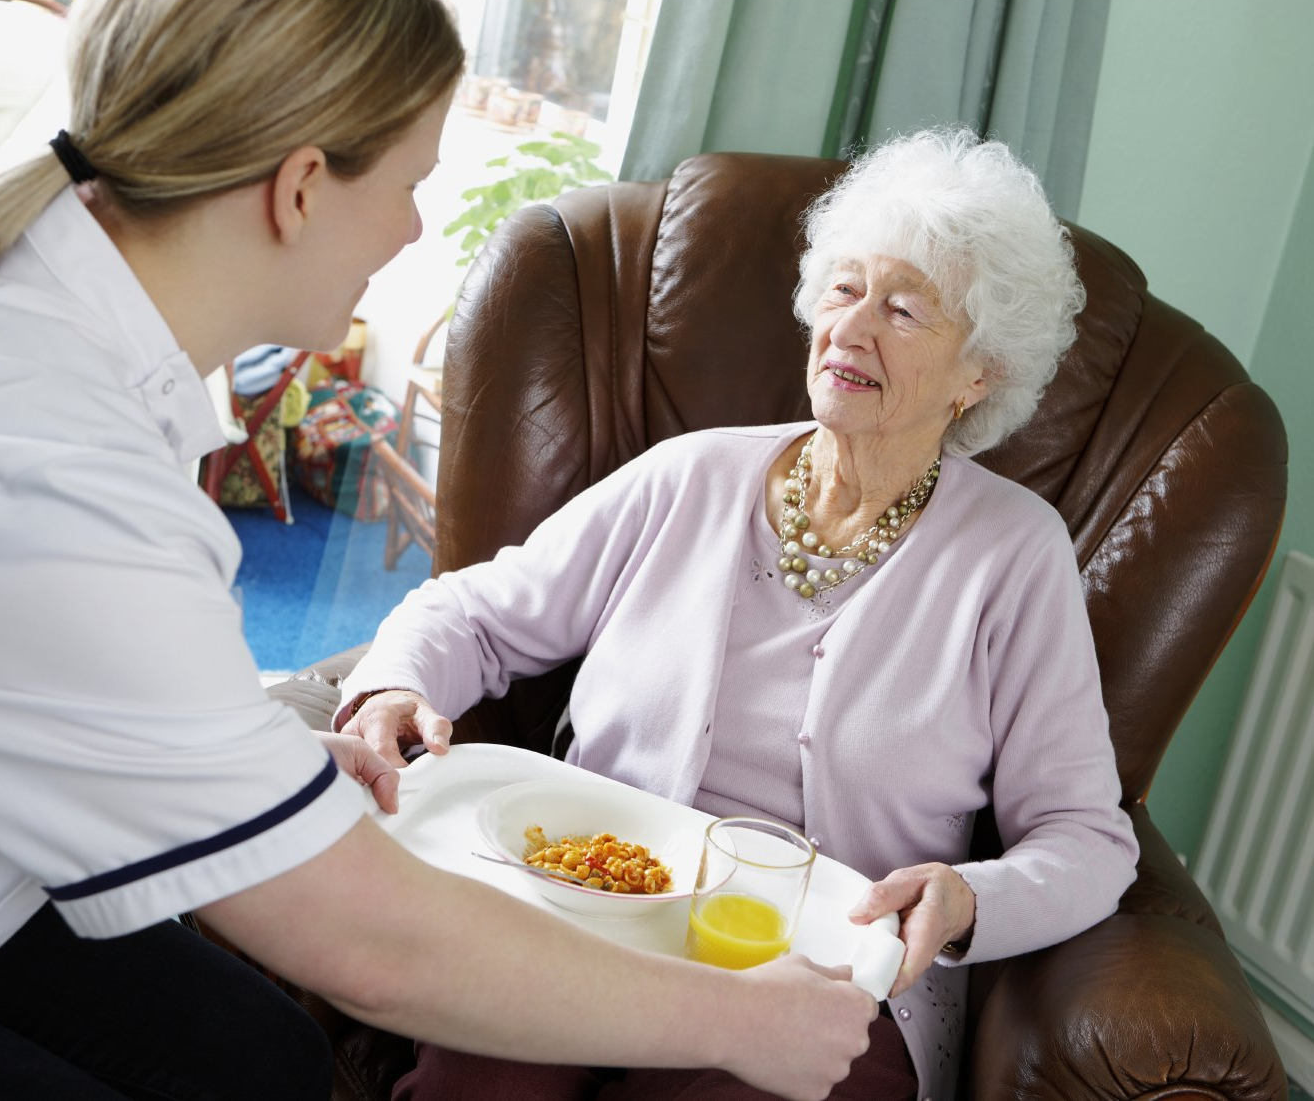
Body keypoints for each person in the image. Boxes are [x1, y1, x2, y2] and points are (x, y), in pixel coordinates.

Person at [0, 0, 880, 1099]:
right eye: (413, 181)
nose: (418, 224)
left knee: (263, 1057)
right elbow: (366, 947)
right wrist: (742, 1022)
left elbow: (41, 668)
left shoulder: (41, 309)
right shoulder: (66, 468)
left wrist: (223, 763)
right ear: (304, 188)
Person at [337, 126, 1142, 1101]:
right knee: (483, 1075)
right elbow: (479, 612)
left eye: (903, 308)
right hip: (593, 899)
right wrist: (395, 686)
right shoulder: (691, 475)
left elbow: (1086, 838)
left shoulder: (1015, 556)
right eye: (843, 291)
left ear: (980, 374)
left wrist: (972, 896)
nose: (852, 328)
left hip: (818, 966)